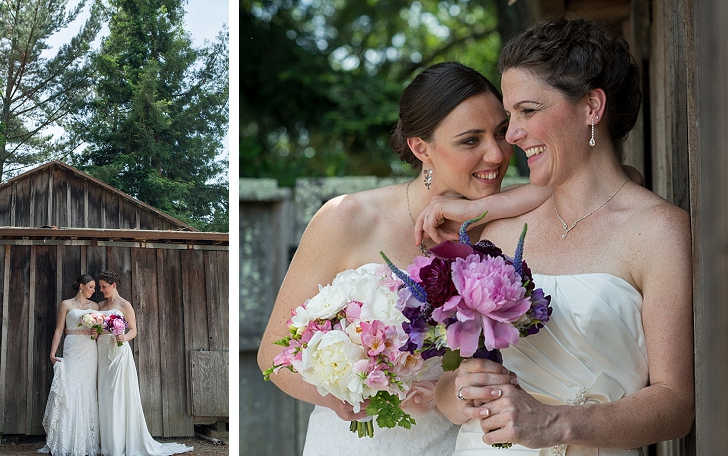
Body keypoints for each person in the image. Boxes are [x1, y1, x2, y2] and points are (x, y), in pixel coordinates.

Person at [257, 61, 563, 455]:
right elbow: (274, 355)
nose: (497, 153)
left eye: (501, 132)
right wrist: (347, 393)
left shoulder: (500, 222)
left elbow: (611, 181)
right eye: (471, 141)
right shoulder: (347, 219)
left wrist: (482, 209)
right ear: (421, 148)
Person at [431, 16, 695, 455]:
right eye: (510, 115)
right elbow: (445, 389)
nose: (512, 135)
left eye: (527, 111)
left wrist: (556, 423)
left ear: (592, 106)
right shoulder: (498, 235)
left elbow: (675, 404)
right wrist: (460, 390)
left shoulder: (657, 231)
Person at [96, 270, 193, 456]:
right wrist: (94, 332)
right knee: (105, 396)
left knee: (118, 395)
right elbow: (98, 328)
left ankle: (119, 444)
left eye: (104, 287)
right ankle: (108, 443)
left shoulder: (124, 304)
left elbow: (134, 330)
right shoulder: (99, 306)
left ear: (114, 285)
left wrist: (122, 338)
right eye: (100, 287)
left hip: (118, 352)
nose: (101, 290)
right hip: (101, 352)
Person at [39, 274, 101, 456]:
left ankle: (85, 443)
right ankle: (65, 440)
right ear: (81, 286)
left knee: (87, 390)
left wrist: (94, 332)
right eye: (91, 287)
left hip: (89, 350)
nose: (94, 290)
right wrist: (52, 352)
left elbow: (97, 333)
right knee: (70, 389)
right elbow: (59, 330)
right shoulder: (66, 304)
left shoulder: (95, 307)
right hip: (72, 347)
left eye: (95, 287)